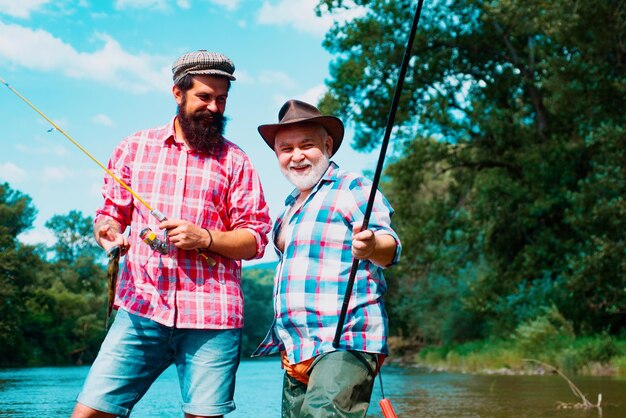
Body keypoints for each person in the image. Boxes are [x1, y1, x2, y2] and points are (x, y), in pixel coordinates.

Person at [71, 50, 272, 418]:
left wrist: (205, 238)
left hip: (213, 319)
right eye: (204, 97)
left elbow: (256, 239)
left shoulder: (237, 161)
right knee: (88, 414)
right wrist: (109, 233)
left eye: (222, 99)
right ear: (177, 93)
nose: (214, 107)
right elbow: (109, 216)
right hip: (140, 310)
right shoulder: (134, 148)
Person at [252, 99, 402, 417]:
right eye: (286, 149)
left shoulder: (354, 188)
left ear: (328, 145)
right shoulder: (286, 211)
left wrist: (372, 245)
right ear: (277, 155)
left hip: (347, 338)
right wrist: (286, 343)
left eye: (307, 145)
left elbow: (390, 247)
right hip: (297, 350)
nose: (296, 156)